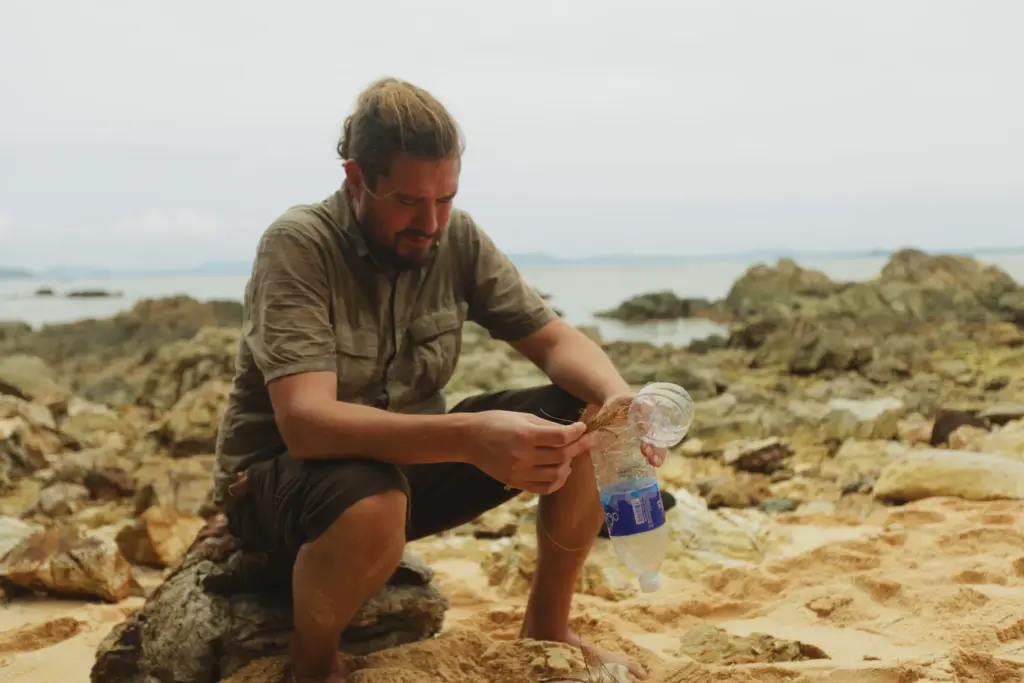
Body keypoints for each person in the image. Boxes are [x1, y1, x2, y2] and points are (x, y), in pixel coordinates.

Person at [212, 77, 665, 683]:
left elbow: (554, 339)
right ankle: (313, 664)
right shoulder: (298, 245)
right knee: (373, 499)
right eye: (407, 201)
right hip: (278, 485)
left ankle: (549, 627)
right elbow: (306, 424)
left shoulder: (457, 237)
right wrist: (473, 437)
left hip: (403, 474)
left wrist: (617, 400)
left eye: (444, 198)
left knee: (584, 416)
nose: (429, 222)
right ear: (356, 178)